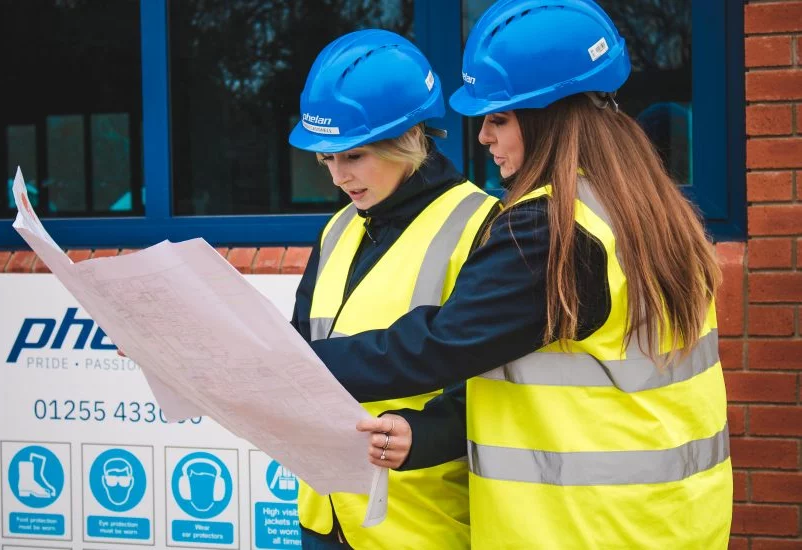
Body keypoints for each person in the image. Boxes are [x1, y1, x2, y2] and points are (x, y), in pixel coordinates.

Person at [309, 1, 733, 548]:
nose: (483, 137)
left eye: (498, 118)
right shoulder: (645, 211)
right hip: (672, 519)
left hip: (580, 528)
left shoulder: (552, 230)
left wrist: (284, 367)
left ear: (546, 116)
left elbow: (438, 345)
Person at [287, 29, 499, 549]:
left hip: (419, 522)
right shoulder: (338, 228)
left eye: (354, 156)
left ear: (407, 140)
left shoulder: (484, 224)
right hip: (324, 517)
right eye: (327, 159)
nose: (338, 177)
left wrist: (429, 436)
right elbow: (298, 353)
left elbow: (505, 385)